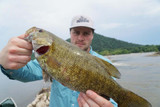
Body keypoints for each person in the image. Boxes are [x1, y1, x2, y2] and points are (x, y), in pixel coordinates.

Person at [0, 15, 118, 107]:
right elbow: (25, 73)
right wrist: (7, 64)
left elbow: (113, 99)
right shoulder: (50, 55)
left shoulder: (103, 64)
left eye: (86, 33)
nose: (80, 38)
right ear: (70, 33)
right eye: (76, 32)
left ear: (92, 35)